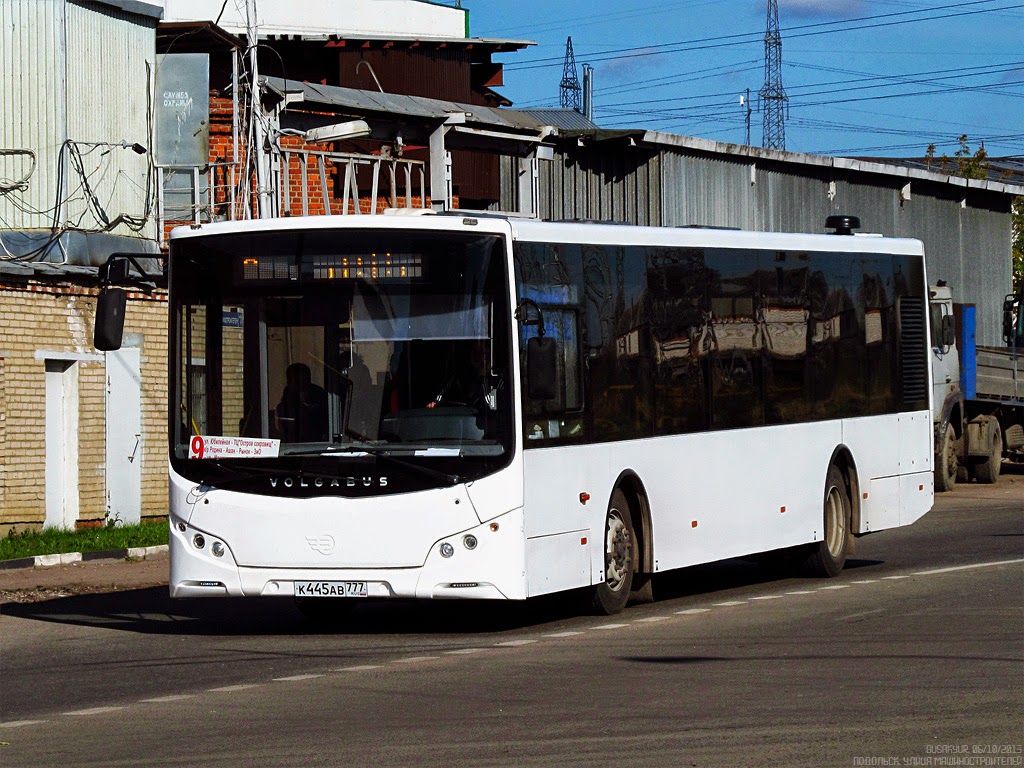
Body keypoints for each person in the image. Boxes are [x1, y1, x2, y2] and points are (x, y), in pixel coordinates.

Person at [275, 363, 328, 442]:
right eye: (297, 381)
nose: (301, 386)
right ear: (289, 382)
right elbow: (283, 433)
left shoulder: (323, 401)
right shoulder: (283, 407)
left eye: (305, 380)